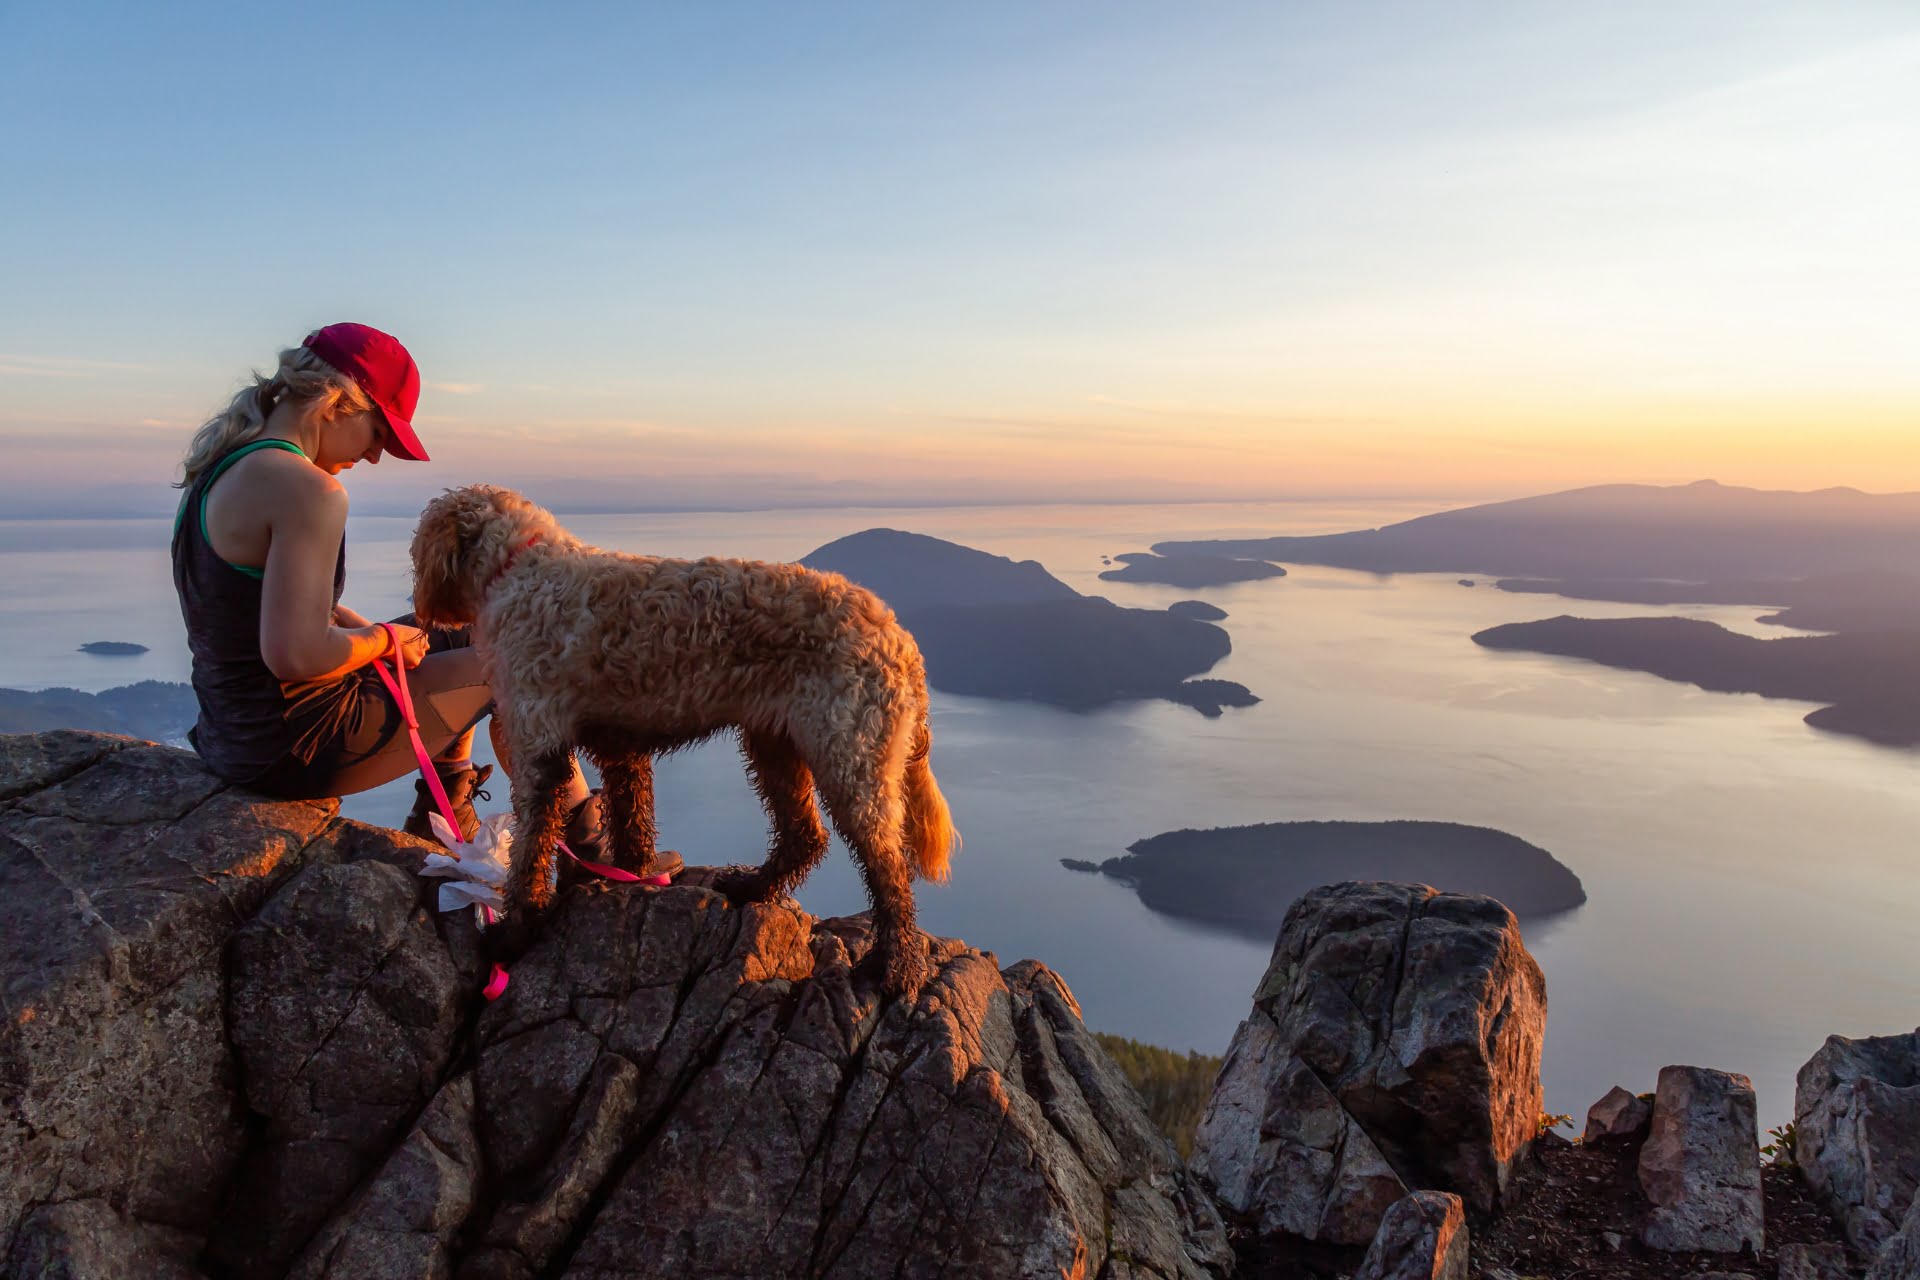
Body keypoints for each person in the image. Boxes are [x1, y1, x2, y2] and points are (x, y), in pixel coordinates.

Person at [169, 323, 613, 856]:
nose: (377, 455)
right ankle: (592, 849)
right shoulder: (309, 490)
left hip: (232, 735)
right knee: (524, 662)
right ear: (338, 404)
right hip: (300, 745)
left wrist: (363, 628)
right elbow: (294, 655)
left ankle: (445, 813)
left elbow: (245, 610)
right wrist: (382, 640)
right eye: (379, 432)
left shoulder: (222, 468)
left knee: (456, 631)